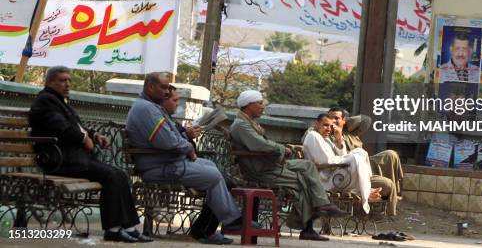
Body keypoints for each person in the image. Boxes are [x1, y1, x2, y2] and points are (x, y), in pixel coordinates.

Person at [29, 66, 152, 243]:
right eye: (62, 80)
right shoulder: (45, 101)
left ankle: (129, 228)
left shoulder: (59, 101)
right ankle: (113, 230)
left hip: (72, 158)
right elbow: (62, 128)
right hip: (59, 160)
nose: (67, 84)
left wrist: (94, 135)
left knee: (119, 174)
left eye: (69, 80)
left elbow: (77, 126)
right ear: (49, 82)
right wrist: (82, 139)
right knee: (110, 175)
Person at [126, 73, 244, 245]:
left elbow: (172, 137)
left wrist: (185, 145)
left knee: (211, 167)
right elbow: (168, 142)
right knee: (213, 176)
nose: (166, 92)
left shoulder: (151, 106)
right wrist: (188, 147)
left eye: (168, 88)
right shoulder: (146, 109)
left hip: (167, 163)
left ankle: (217, 225)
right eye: (163, 87)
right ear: (150, 87)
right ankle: (228, 221)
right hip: (159, 168)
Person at [229, 90, 346, 241]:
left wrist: (281, 150)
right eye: (259, 103)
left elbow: (262, 145)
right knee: (304, 182)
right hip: (262, 171)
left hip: (270, 164)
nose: (262, 106)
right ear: (247, 105)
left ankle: (322, 206)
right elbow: (260, 145)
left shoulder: (248, 122)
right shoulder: (241, 125)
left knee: (308, 166)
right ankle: (311, 223)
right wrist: (283, 149)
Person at [327, 107, 400, 216]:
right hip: (349, 170)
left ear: (344, 120)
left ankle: (394, 195)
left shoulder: (349, 133)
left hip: (364, 163)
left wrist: (344, 123)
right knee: (387, 184)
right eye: (330, 118)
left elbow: (366, 120)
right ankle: (388, 201)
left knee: (391, 154)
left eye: (336, 118)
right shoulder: (327, 134)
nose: (333, 121)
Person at [302, 114, 377, 213]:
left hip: (334, 176)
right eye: (325, 125)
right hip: (323, 180)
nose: (329, 129)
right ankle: (366, 192)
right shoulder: (313, 135)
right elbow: (326, 161)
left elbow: (343, 155)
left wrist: (338, 139)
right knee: (355, 158)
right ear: (316, 124)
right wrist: (348, 159)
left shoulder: (326, 139)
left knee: (360, 152)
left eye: (330, 126)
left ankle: (366, 189)